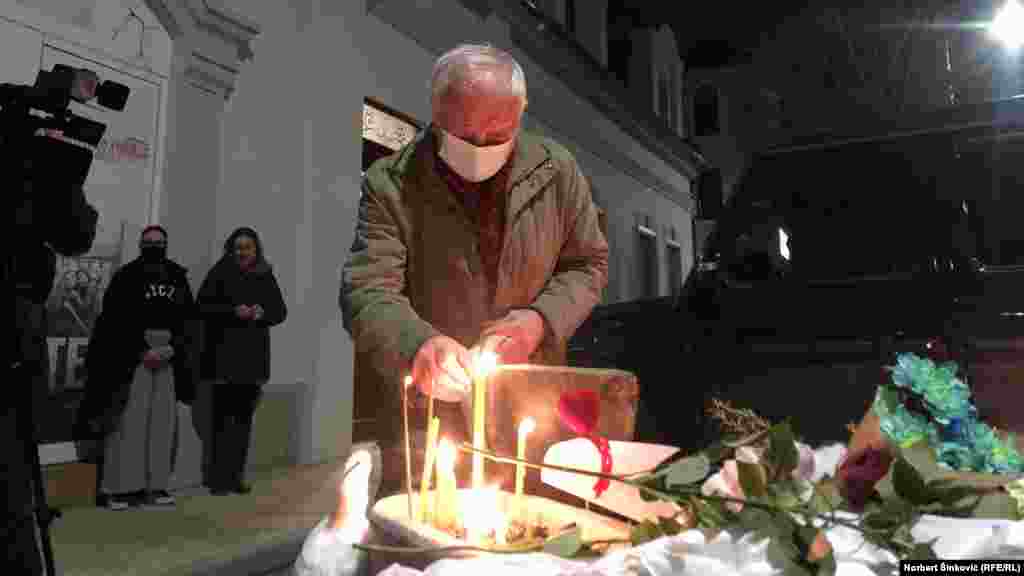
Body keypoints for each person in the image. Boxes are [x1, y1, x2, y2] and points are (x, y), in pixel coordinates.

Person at [340, 43, 609, 495]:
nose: (480, 148)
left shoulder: (556, 171)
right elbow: (367, 289)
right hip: (428, 417)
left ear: (521, 114)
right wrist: (418, 344)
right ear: (435, 110)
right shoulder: (392, 182)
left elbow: (587, 264)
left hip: (531, 405)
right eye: (464, 136)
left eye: (497, 135)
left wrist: (540, 321)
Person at [75, 225, 196, 510]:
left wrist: (173, 348)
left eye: (160, 242)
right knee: (128, 422)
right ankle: (119, 489)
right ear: (141, 245)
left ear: (166, 244)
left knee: (162, 425)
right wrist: (141, 350)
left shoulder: (178, 278)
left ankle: (156, 486)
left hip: (167, 357)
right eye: (149, 242)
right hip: (132, 359)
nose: (155, 246)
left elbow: (190, 321)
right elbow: (115, 320)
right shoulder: (126, 277)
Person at [197, 227, 287, 495]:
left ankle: (235, 478)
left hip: (252, 363)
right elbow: (202, 306)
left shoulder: (265, 274)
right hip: (224, 360)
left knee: (243, 423)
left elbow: (280, 311)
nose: (242, 252)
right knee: (221, 423)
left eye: (247, 247)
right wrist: (232, 311)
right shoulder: (220, 273)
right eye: (238, 247)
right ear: (230, 249)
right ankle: (218, 480)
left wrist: (262, 312)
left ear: (256, 249)